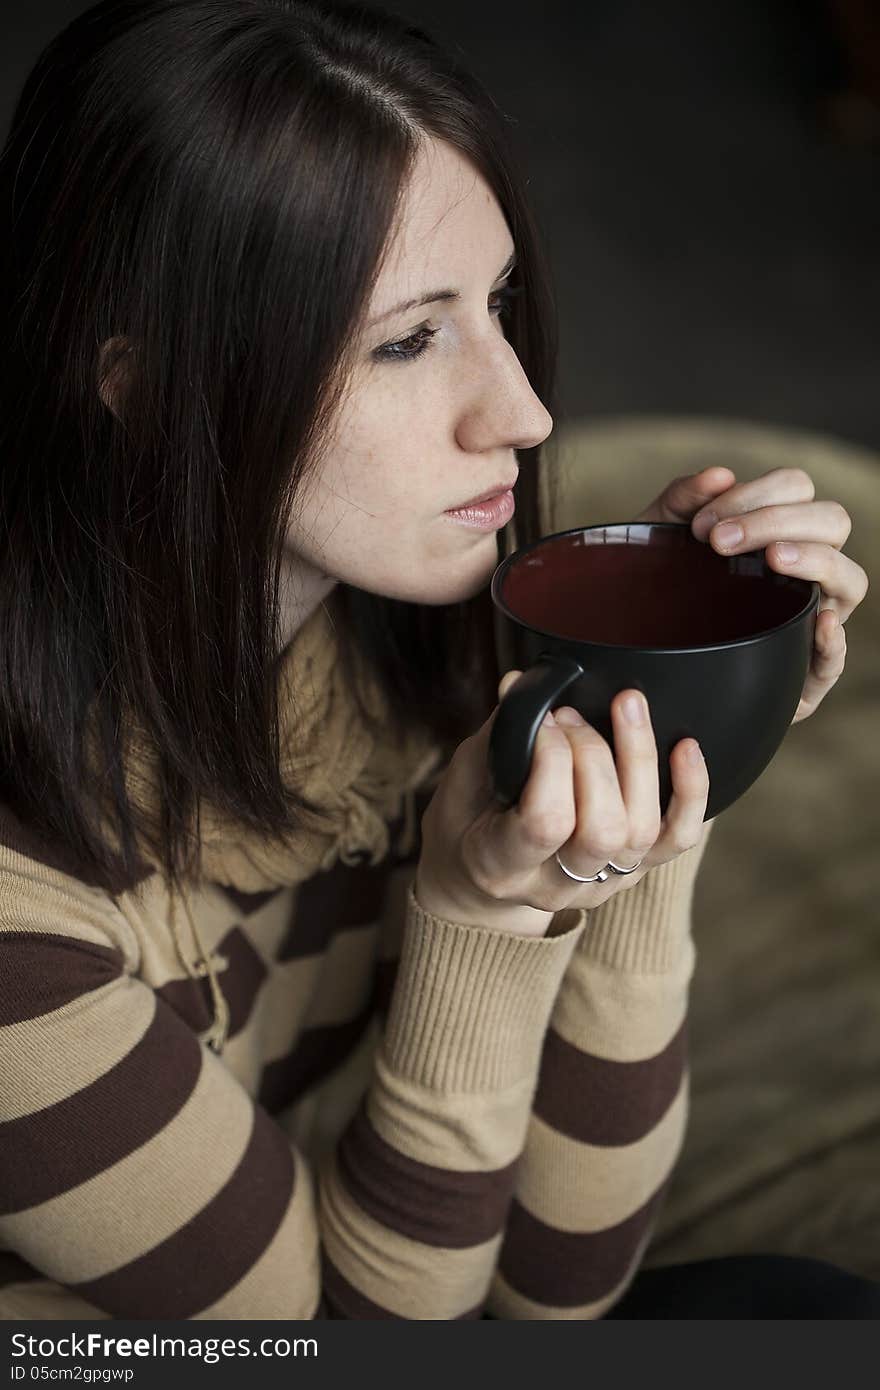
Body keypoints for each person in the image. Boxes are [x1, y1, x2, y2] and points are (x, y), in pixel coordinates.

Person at [0, 0, 870, 1321]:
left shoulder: (409, 631)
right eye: (409, 338)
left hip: (404, 1251)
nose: (521, 411)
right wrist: (478, 916)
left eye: (498, 302)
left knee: (807, 1309)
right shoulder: (23, 921)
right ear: (149, 380)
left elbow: (557, 1293)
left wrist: (679, 725)